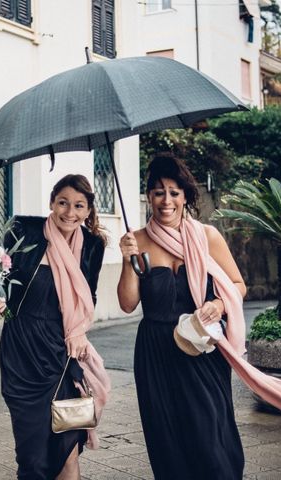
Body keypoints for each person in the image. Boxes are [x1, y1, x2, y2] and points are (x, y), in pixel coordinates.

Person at [117, 154, 246, 479]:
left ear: (186, 196)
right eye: (159, 191)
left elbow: (238, 284)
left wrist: (218, 304)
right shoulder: (139, 241)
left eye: (174, 192)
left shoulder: (207, 236)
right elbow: (128, 304)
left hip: (201, 349)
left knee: (211, 440)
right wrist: (126, 260)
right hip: (156, 355)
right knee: (168, 444)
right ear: (149, 195)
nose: (166, 200)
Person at [0, 174, 111, 480]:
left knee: (67, 446)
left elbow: (88, 297)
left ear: (88, 210)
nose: (70, 212)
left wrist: (80, 330)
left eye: (78, 205)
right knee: (31, 453)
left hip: (63, 351)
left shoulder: (93, 245)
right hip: (22, 350)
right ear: (51, 203)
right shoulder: (24, 231)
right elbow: (0, 281)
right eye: (63, 203)